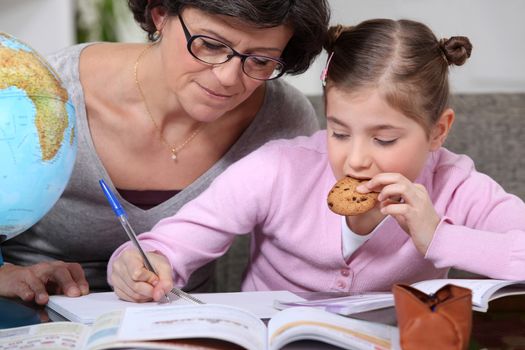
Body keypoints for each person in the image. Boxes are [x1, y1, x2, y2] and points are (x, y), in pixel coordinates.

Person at [109, 18, 525, 303]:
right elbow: (169, 244)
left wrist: (438, 236)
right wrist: (141, 266)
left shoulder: (456, 186)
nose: (355, 160)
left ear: (438, 130)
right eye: (339, 132)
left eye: (384, 139)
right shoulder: (280, 169)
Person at [0, 0, 330, 305]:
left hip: (181, 322)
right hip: (35, 310)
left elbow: (301, 257)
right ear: (161, 15)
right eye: (211, 45)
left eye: (260, 60)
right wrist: (5, 275)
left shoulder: (280, 120)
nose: (228, 78)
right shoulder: (39, 97)